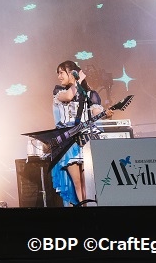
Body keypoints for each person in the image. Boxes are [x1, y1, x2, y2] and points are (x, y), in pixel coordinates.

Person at [51, 60, 112, 206]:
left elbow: (96, 112)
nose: (59, 76)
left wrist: (106, 114)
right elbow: (69, 96)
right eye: (58, 73)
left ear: (72, 73)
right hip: (69, 142)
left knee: (88, 181)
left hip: (87, 139)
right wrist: (78, 81)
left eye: (61, 72)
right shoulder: (59, 92)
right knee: (77, 183)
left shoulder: (90, 94)